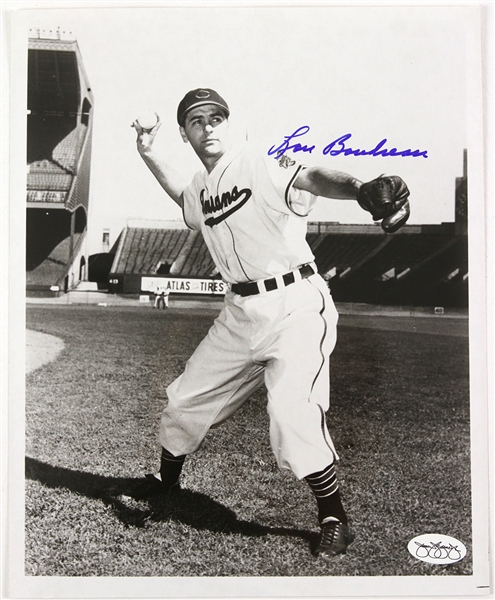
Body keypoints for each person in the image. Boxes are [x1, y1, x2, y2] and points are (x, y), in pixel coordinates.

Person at [130, 88, 407, 558]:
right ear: (185, 133)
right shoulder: (201, 183)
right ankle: (165, 481)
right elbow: (186, 200)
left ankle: (334, 517)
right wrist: (150, 152)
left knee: (291, 411)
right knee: (185, 398)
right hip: (239, 313)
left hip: (295, 304)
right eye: (196, 121)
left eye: (216, 116)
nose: (208, 126)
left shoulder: (260, 161)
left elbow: (314, 176)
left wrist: (359, 189)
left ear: (230, 122)